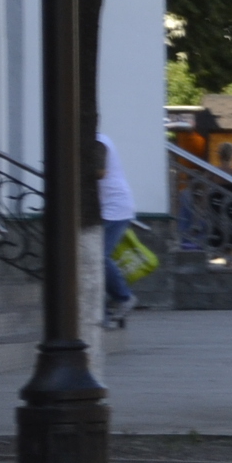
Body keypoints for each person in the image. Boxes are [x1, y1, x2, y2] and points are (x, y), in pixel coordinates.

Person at [98, 133, 138, 328]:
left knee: (99, 257)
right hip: (110, 208)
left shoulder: (99, 143)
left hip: (115, 208)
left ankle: (123, 298)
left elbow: (100, 172)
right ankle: (107, 310)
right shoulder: (101, 140)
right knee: (93, 260)